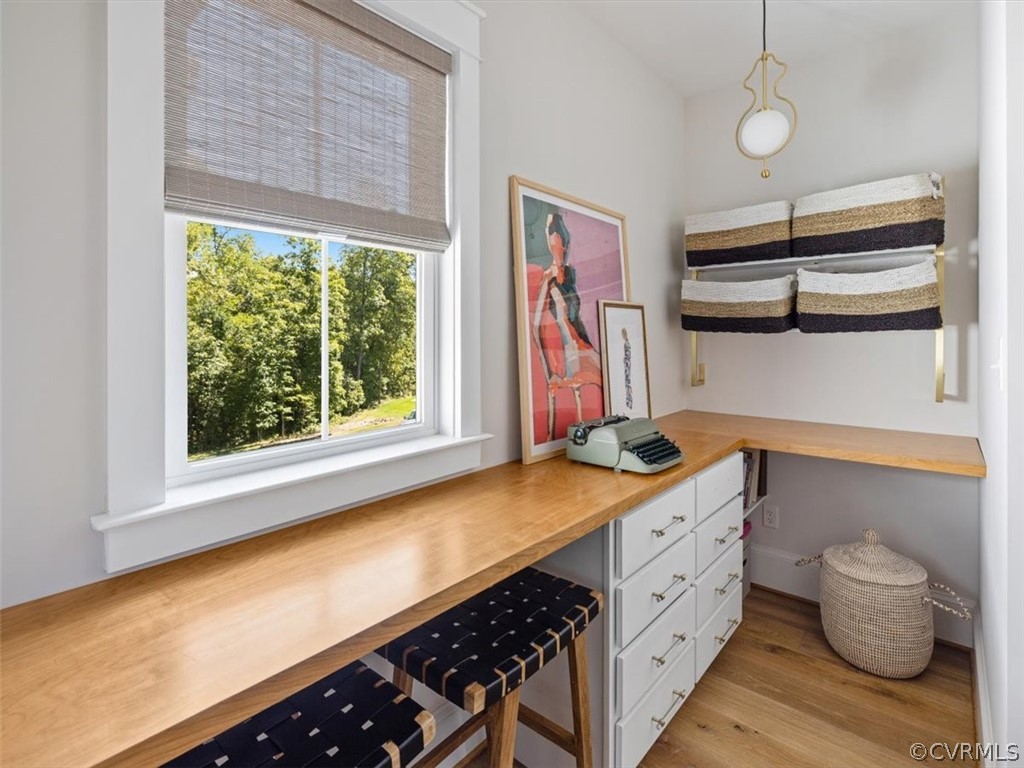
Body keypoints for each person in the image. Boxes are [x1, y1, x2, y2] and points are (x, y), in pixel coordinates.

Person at [531, 212, 603, 440]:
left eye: (562, 247)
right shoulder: (548, 278)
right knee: (602, 377)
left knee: (609, 374)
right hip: (569, 353)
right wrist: (550, 369)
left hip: (583, 344)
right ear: (550, 245)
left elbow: (576, 317)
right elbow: (536, 324)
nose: (559, 252)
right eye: (555, 247)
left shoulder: (571, 275)